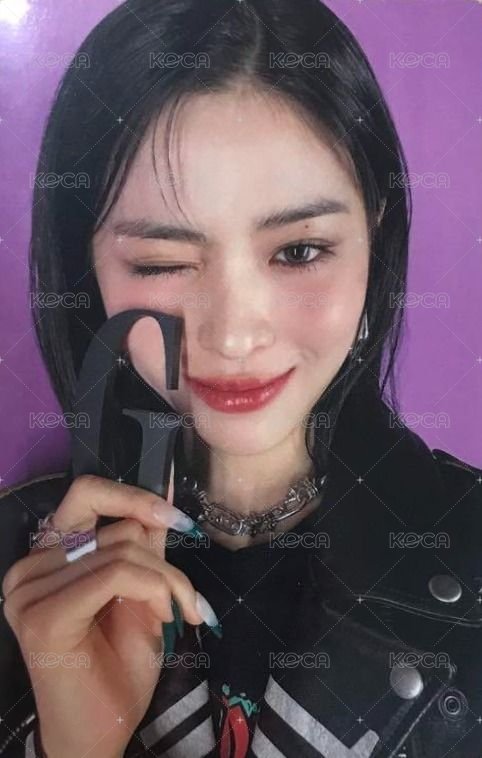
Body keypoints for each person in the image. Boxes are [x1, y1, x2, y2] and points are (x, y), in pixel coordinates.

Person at [0, 0, 481, 756]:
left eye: (298, 252)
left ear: (374, 237)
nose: (231, 336)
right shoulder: (22, 564)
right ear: (87, 270)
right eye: (162, 263)